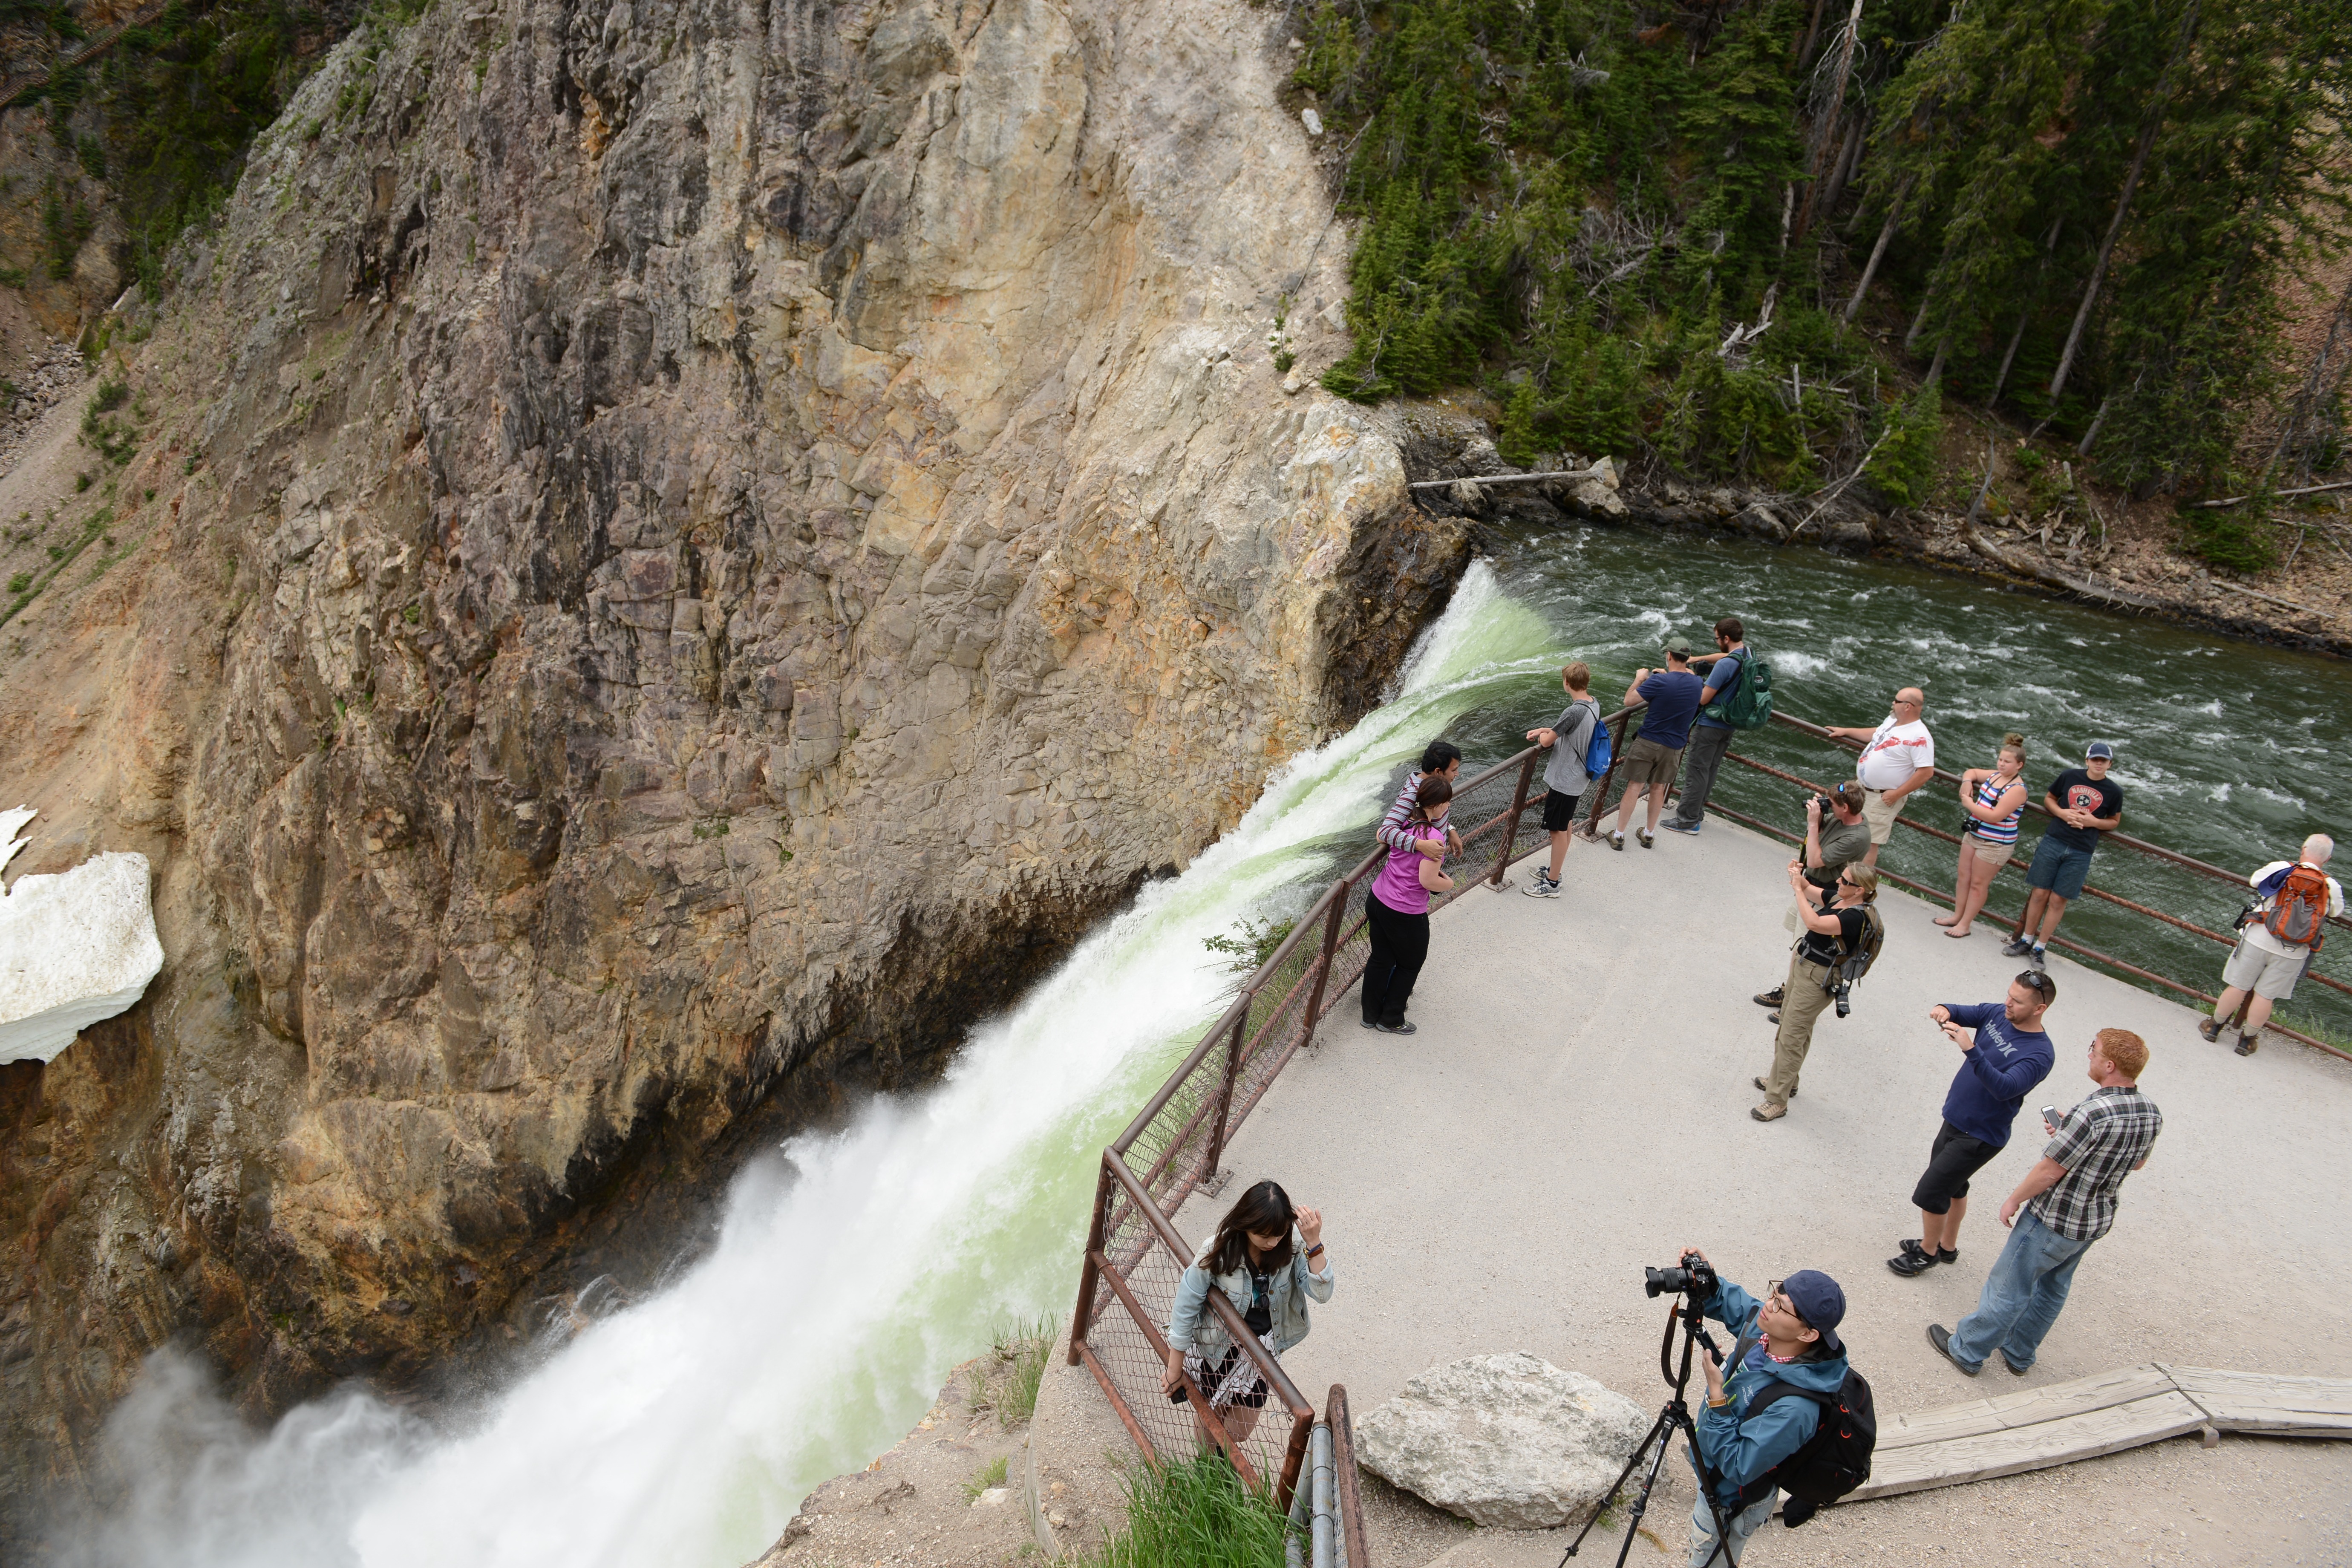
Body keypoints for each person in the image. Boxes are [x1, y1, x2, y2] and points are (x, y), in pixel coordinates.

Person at [1928, 1028, 2160, 1378]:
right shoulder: (2150, 1112)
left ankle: (1968, 1349)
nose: (2089, 1056)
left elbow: (2050, 1171)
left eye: (2093, 1050)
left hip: (2053, 1219)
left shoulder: (2094, 1112)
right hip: (2093, 1222)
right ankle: (2020, 1352)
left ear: (2109, 1065)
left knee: (2009, 1284)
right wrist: (2072, 1133)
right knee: (2053, 1288)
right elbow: (2137, 1162)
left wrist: (2013, 1200)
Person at [1676, 1251, 1850, 1568]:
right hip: (1716, 1476)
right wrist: (1708, 1281)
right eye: (1776, 1293)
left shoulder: (1797, 1408)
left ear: (1808, 1334)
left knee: (1707, 1555)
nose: (1769, 1305)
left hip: (1732, 1498)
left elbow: (1740, 1466)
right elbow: (1736, 1305)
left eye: (1782, 1306)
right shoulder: (1770, 1333)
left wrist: (1717, 1396)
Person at [1888, 972, 2058, 1278]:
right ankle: (1947, 1246)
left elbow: (2006, 1088)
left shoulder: (2040, 1054)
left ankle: (1927, 1253)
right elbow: (1963, 1011)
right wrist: (1944, 1009)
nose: (2008, 1003)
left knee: (1930, 1192)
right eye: (2009, 995)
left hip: (1981, 1135)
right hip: (1955, 1118)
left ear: (2039, 1009)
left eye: (2017, 1002)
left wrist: (1970, 1048)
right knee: (1954, 1187)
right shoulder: (1997, 1013)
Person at [1163, 1180, 1333, 1450]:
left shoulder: (1292, 1248)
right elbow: (1187, 1303)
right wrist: (1175, 1368)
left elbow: (1322, 1294)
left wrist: (1314, 1243)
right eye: (1263, 1235)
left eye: (1278, 1234)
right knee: (1210, 1414)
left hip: (1262, 1352)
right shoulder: (1219, 1249)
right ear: (1246, 1225)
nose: (1272, 1242)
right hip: (1220, 1347)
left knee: (1240, 1431)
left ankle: (1220, 1457)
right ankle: (1210, 1468)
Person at [1753, 863, 1878, 1122]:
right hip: (1805, 966)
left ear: (1860, 891)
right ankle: (1787, 1081)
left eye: (1844, 881)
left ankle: (1777, 1100)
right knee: (1794, 1025)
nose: (1839, 883)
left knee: (1791, 1034)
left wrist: (1798, 890)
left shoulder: (1855, 917)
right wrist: (1797, 878)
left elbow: (1814, 922)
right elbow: (1810, 889)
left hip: (1818, 977)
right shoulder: (1839, 899)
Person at [2203, 834, 2342, 1056]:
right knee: (2265, 996)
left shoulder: (2282, 868)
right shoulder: (2330, 885)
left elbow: (2255, 881)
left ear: (2303, 848)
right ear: (2328, 859)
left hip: (2259, 935)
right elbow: (2336, 912)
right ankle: (2247, 1042)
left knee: (2239, 986)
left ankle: (2214, 1027)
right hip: (2294, 951)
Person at [2004, 742, 2124, 971]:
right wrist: (2061, 812)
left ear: (2110, 764)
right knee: (2039, 892)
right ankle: (2026, 940)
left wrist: (2094, 823)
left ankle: (2041, 947)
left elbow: (2114, 821)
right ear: (2087, 761)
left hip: (2082, 850)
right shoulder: (2069, 776)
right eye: (2095, 759)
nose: (2099, 764)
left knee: (2059, 900)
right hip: (2054, 840)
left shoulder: (2114, 791)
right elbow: (2049, 798)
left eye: (2104, 761)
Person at [1752, 784, 1871, 1009]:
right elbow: (1816, 839)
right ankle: (1790, 993)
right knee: (1798, 947)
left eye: (1832, 804)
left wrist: (1812, 822)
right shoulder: (1841, 819)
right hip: (1810, 886)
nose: (1828, 806)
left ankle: (1791, 1003)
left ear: (1845, 807)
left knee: (1804, 951)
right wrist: (1820, 815)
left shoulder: (1856, 837)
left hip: (1824, 896)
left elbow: (1817, 860)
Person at [1360, 776, 1454, 1034]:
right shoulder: (1434, 838)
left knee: (1381, 958)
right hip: (1405, 911)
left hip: (1378, 898)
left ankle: (1370, 1015)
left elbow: (1382, 836)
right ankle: (1391, 1019)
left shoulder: (1403, 824)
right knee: (1410, 964)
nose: (1448, 809)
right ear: (1436, 806)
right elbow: (1428, 880)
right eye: (1447, 803)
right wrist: (1450, 884)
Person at [1608, 644, 1705, 850]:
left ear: (1669, 656)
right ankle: (1648, 834)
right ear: (1687, 659)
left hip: (1648, 742)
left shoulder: (1660, 681)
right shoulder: (1698, 683)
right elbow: (1685, 675)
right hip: (1674, 747)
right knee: (1658, 788)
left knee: (1634, 787)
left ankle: (1618, 836)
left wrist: (1640, 678)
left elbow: (1629, 701)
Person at [1824, 689, 1934, 868]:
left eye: (1896, 701)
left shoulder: (1920, 737)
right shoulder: (1892, 721)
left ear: (1908, 706)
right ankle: (1841, 875)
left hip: (1881, 796)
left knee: (1869, 840)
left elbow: (1927, 772)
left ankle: (1858, 884)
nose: (1892, 703)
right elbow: (1877, 734)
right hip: (1862, 788)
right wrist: (1846, 731)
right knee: (1845, 827)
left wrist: (1897, 794)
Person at [1935, 733, 2029, 939]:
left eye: (2007, 762)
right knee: (1963, 876)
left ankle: (1965, 924)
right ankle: (1957, 916)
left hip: (1996, 843)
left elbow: (1995, 817)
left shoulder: (2017, 790)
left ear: (2019, 765)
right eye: (2001, 760)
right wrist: (1967, 781)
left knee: (1978, 883)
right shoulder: (1996, 776)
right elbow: (1973, 771)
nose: (2002, 764)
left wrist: (1969, 804)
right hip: (1975, 834)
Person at [1663, 618, 1751, 837]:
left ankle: (1687, 820)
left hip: (1711, 724)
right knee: (1711, 769)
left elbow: (1703, 699)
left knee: (1697, 770)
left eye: (1717, 639)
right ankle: (1697, 812)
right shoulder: (1749, 655)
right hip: (1729, 724)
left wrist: (1693, 677)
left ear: (1726, 638)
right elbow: (1725, 657)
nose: (1717, 642)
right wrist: (1699, 659)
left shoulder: (1724, 665)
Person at [1522, 663, 1602, 898]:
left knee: (1556, 831)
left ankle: (1553, 883)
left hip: (1565, 779)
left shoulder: (1573, 711)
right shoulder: (1593, 704)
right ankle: (1554, 871)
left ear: (1567, 683)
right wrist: (1545, 729)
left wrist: (1543, 735)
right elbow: (1569, 731)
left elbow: (1548, 742)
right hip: (1579, 777)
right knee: (1565, 824)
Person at [1378, 741, 1467, 865]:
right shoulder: (1413, 795)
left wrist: (1450, 829)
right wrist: (1422, 845)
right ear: (1438, 772)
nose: (1457, 774)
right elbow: (1385, 831)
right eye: (1454, 770)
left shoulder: (1432, 788)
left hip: (1428, 863)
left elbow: (1426, 813)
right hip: (1415, 870)